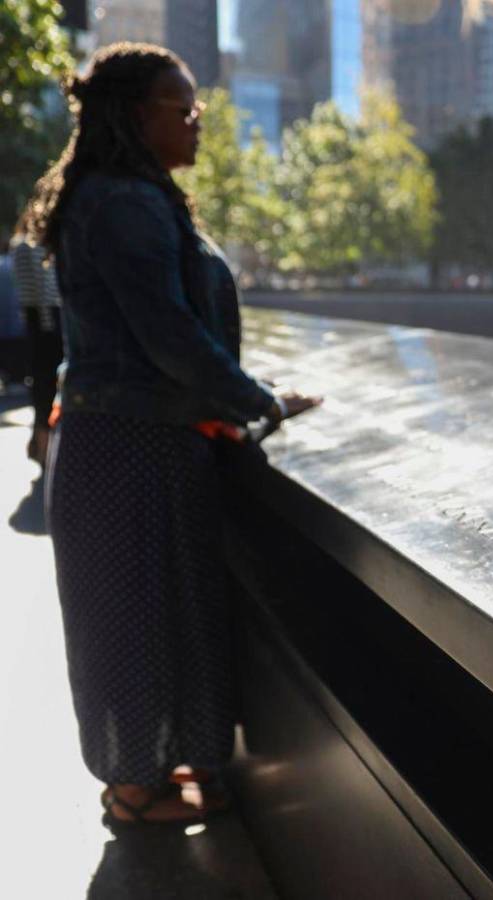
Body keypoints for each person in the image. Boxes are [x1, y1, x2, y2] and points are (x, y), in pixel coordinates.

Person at [21, 42, 321, 826]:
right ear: (134, 115)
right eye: (184, 110)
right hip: (128, 449)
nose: (198, 124)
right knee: (131, 622)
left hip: (142, 444)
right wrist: (264, 402)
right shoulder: (122, 201)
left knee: (157, 619)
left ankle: (163, 767)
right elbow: (169, 337)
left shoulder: (128, 193)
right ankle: (130, 792)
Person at [10, 215, 64, 467]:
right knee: (47, 383)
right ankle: (45, 448)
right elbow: (42, 287)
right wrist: (49, 324)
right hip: (47, 318)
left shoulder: (18, 246)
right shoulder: (32, 246)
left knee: (40, 382)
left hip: (35, 319)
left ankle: (41, 447)